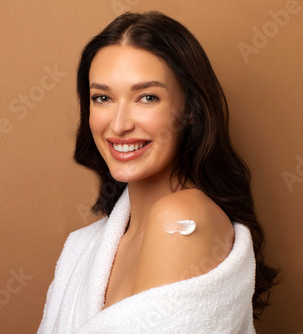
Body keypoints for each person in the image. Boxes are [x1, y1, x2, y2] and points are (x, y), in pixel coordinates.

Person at [38, 11, 279, 333]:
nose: (120, 124)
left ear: (191, 109)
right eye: (103, 98)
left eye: (147, 97)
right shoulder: (89, 246)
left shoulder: (181, 219)